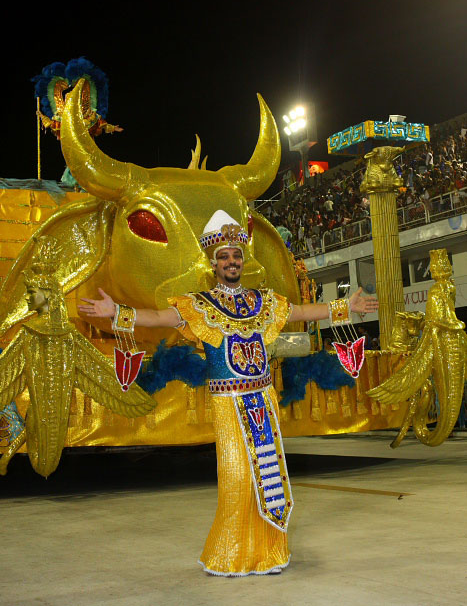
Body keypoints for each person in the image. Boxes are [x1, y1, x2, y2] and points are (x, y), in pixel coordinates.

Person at [79, 210, 378, 577]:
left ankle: (268, 553)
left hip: (262, 400)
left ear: (242, 260)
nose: (232, 261)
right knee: (237, 478)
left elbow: (300, 310)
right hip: (228, 402)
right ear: (214, 262)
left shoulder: (263, 302)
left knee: (267, 478)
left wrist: (344, 307)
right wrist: (118, 313)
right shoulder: (200, 305)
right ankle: (230, 554)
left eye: (236, 255)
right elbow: (159, 318)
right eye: (224, 256)